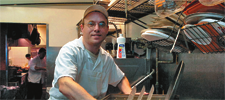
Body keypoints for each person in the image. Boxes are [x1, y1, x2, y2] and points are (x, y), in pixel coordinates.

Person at [49, 5, 132, 100]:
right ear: (82, 28)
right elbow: (65, 84)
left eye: (101, 24)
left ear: (107, 29)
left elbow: (120, 79)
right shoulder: (71, 50)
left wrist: (131, 96)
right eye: (91, 24)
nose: (96, 28)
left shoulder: (105, 58)